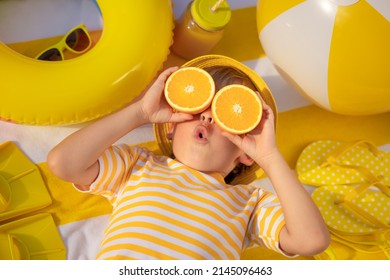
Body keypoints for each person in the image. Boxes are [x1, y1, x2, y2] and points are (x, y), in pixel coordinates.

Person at [47, 55, 330, 260]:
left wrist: (269, 156)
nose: (207, 115)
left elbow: (312, 240)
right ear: (171, 126)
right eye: (197, 108)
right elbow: (63, 163)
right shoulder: (138, 165)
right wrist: (139, 115)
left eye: (225, 115)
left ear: (245, 153)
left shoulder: (250, 204)